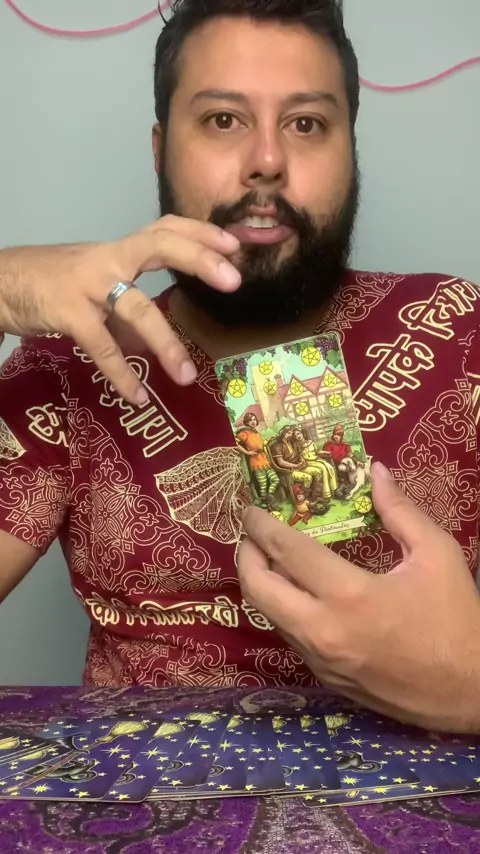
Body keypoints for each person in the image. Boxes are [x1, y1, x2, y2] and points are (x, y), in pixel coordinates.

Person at [0, 0, 479, 732]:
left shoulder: (455, 331)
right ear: (160, 150)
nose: (267, 160)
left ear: (352, 150)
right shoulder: (71, 361)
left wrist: (466, 681)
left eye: (307, 123)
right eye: (223, 119)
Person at [235, 413, 280, 508]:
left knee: (275, 480)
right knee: (263, 485)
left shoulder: (256, 432)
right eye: (250, 420)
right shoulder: (244, 433)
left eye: (254, 419)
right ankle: (267, 504)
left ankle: (269, 496)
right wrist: (247, 452)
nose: (253, 422)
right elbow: (235, 443)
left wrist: (267, 441)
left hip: (264, 460)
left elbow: (259, 445)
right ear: (246, 422)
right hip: (255, 462)